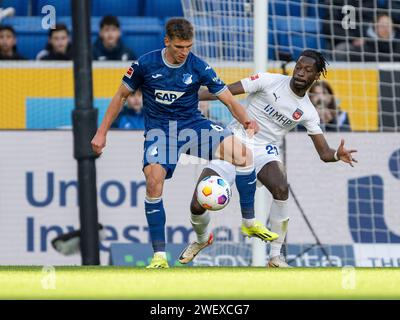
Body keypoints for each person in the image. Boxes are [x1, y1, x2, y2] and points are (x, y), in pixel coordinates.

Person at [91, 18, 277, 269]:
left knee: (243, 155)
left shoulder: (198, 66)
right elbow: (120, 96)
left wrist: (246, 120)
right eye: (179, 47)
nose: (184, 52)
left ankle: (249, 221)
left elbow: (228, 99)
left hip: (193, 126)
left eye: (188, 46)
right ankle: (159, 255)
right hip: (161, 132)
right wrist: (101, 133)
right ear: (167, 41)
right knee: (153, 181)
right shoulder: (145, 64)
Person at [179, 50, 357, 267]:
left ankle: (275, 257)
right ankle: (201, 240)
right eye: (299, 67)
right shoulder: (268, 80)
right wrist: (187, 94)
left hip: (265, 151)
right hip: (234, 141)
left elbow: (324, 154)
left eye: (308, 70)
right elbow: (223, 91)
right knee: (198, 204)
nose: (300, 73)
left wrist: (338, 155)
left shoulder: (309, 112)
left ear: (316, 76)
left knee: (281, 188)